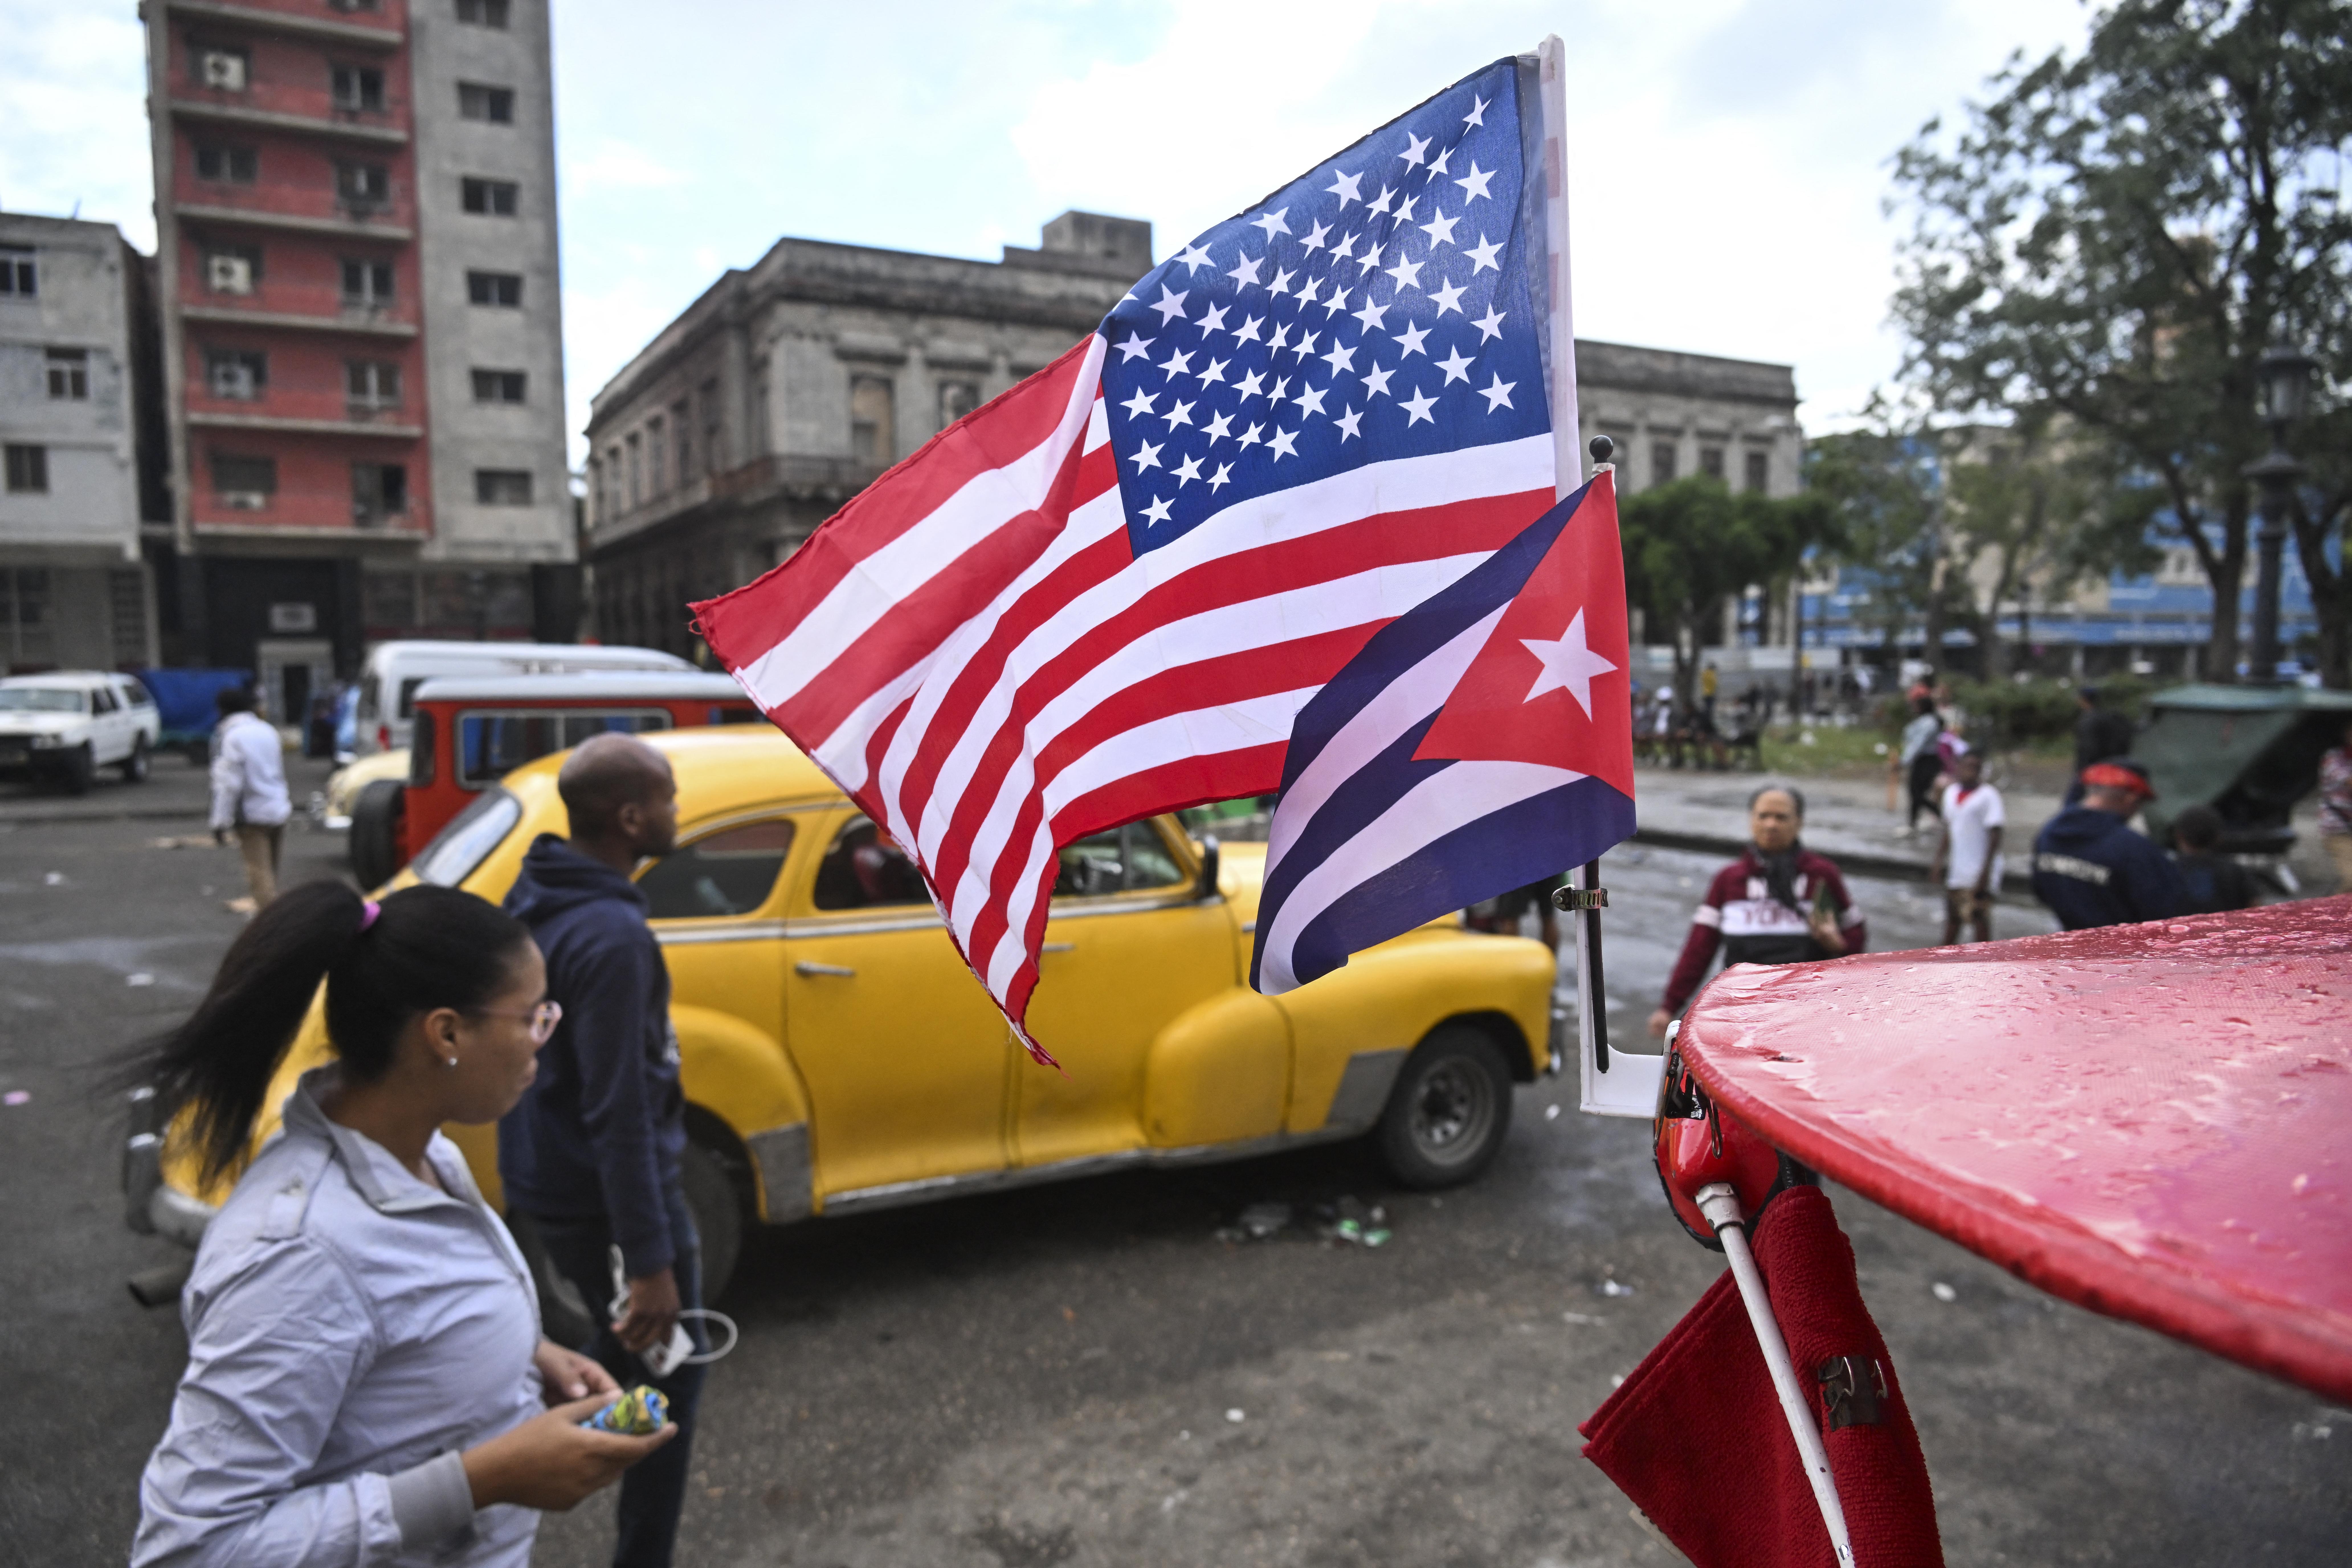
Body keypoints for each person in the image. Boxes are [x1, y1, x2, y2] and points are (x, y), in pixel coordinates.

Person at [132, 882, 672, 1566]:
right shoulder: (299, 1256)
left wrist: (523, 1354)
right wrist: (483, 1479)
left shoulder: (424, 1154)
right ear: (446, 1033)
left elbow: (406, 1310)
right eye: (534, 1016)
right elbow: (192, 1549)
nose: (546, 1038)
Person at [499, 733, 704, 1568]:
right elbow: (619, 1108)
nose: (675, 811)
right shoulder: (613, 936)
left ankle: (522, 1450)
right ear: (630, 816)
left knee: (624, 1355)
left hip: (548, 1174)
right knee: (668, 1385)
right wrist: (650, 1256)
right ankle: (624, 1542)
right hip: (609, 1193)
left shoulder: (537, 889)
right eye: (666, 798)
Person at [1648, 785, 1866, 1038]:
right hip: (1742, 1014)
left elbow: (1856, 937)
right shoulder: (1728, 880)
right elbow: (1700, 948)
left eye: (1781, 817)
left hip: (1807, 1017)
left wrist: (1838, 944)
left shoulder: (1822, 875)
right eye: (1763, 816)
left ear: (1799, 823)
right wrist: (1669, 1007)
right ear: (1752, 820)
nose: (1771, 825)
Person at [2031, 759, 2186, 930]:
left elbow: (2041, 891)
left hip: (2069, 945)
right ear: (2131, 798)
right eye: (2139, 804)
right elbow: (2165, 912)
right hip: (2123, 951)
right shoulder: (2134, 849)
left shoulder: (2049, 834)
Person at [209, 686, 291, 912]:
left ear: (223, 710)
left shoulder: (231, 737)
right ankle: (276, 922)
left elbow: (229, 784)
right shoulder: (267, 731)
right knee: (272, 876)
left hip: (252, 816)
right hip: (278, 809)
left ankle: (272, 929)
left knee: (260, 880)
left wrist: (219, 822)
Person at [1932, 750, 2004, 944]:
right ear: (1958, 768)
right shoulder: (1951, 794)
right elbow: (1949, 829)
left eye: (1976, 768)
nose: (1970, 772)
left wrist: (1985, 874)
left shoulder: (1989, 796)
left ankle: (1984, 963)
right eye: (1967, 767)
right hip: (1958, 870)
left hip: (1979, 871)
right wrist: (1939, 861)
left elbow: (1995, 835)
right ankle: (1945, 961)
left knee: (1979, 918)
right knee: (1953, 918)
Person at [2171, 803, 2255, 915]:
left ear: (2179, 836)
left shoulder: (2166, 872)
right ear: (2218, 838)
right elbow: (2254, 908)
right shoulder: (2235, 871)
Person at [1894, 696, 1944, 837]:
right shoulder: (1922, 722)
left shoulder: (1929, 723)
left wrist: (1904, 761)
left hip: (1927, 761)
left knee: (1918, 794)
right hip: (1921, 760)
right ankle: (1912, 823)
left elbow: (1917, 744)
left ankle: (1942, 815)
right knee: (1915, 793)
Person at [2071, 685, 2136, 783]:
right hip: (2111, 765)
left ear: (2082, 700)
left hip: (2093, 771)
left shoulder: (2088, 721)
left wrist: (2083, 771)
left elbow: (2089, 749)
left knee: (2074, 797)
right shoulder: (2107, 717)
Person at [2320, 717, 2352, 894]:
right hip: (2339, 828)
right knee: (2351, 881)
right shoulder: (2334, 758)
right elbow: (2348, 780)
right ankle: (2333, 918)